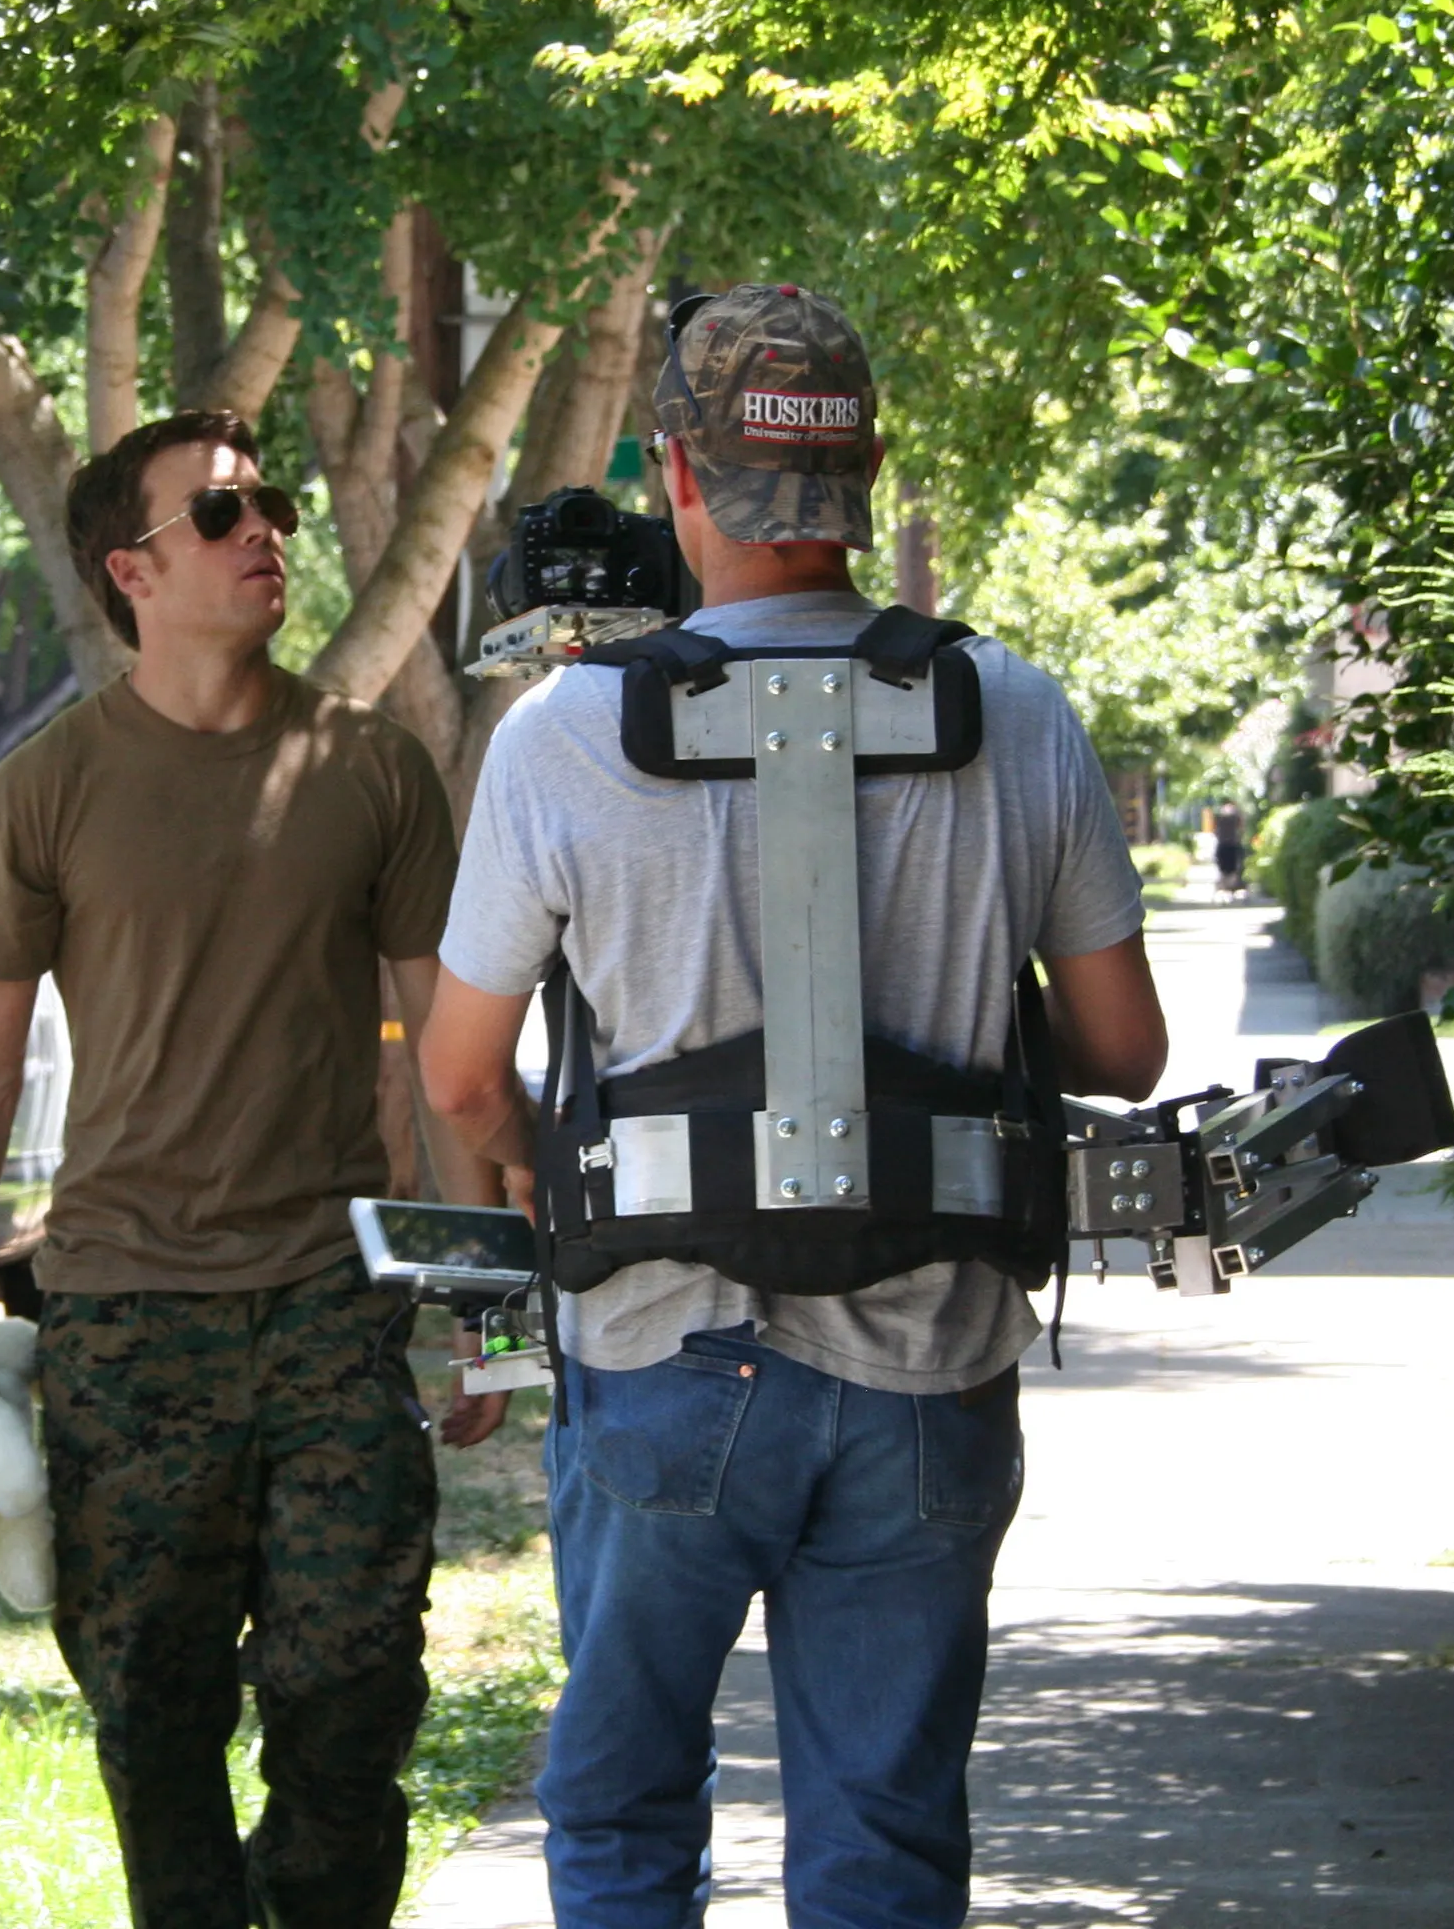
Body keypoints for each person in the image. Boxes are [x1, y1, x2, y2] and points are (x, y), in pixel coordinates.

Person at [416, 284, 1171, 1929]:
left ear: (680, 477)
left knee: (620, 1810)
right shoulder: (1018, 713)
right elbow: (1122, 1048)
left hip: (663, 1361)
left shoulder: (568, 733)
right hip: (929, 1368)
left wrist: (539, 1170)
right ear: (870, 470)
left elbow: (463, 1074)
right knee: (882, 1834)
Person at [0, 408, 498, 1929]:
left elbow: (455, 1062)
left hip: (327, 1310)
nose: (266, 538)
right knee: (150, 1718)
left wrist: (487, 1305)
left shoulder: (373, 769)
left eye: (272, 512)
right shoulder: (48, 785)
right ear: (131, 570)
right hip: (124, 1318)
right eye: (224, 516)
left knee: (352, 1695)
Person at [1212, 800, 1251, 900]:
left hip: (1224, 844)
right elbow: (1242, 828)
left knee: (1224, 869)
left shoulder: (1219, 817)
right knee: (1234, 868)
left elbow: (1215, 830)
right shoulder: (1236, 817)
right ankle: (1230, 888)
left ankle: (1226, 889)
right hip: (1233, 844)